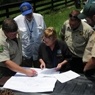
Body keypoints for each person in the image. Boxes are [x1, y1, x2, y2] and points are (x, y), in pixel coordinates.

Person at [14, 2, 46, 68]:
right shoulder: (16, 20)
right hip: (25, 53)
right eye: (26, 14)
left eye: (29, 13)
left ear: (32, 9)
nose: (28, 15)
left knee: (40, 71)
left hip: (38, 52)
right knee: (27, 73)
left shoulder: (39, 17)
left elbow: (45, 32)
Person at [78, 3, 95, 75]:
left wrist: (85, 69)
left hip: (92, 70)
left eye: (87, 19)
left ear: (94, 17)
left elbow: (94, 59)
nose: (86, 21)